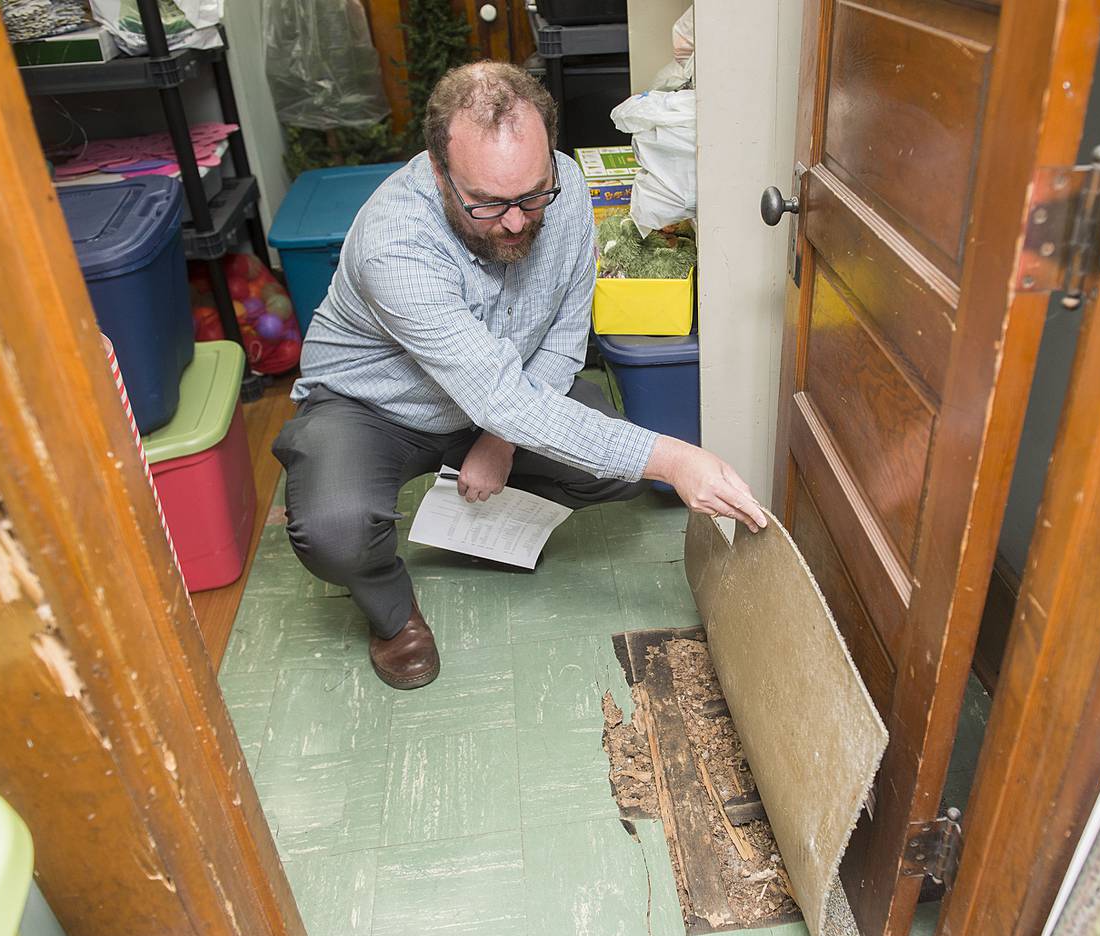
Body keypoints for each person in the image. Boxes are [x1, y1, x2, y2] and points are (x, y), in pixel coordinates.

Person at [273, 61, 767, 691]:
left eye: (533, 194)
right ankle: (390, 614)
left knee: (612, 469)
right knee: (335, 531)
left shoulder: (568, 195)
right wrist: (676, 460)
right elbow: (503, 396)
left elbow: (563, 340)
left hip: (495, 398)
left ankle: (471, 510)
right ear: (438, 170)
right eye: (487, 203)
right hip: (372, 408)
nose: (515, 221)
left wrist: (499, 439)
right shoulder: (393, 240)